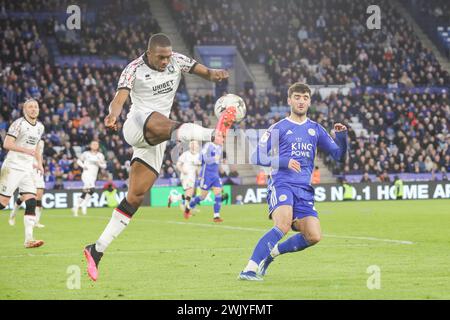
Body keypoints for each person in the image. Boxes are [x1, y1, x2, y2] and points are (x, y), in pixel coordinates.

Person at [83, 33, 237, 281]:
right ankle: (213, 133)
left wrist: (215, 73)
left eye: (168, 56)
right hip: (137, 124)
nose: (166, 61)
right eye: (161, 57)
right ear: (149, 52)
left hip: (157, 137)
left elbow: (203, 71)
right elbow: (119, 98)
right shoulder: (133, 69)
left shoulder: (177, 60)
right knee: (168, 124)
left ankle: (96, 250)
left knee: (135, 197)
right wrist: (113, 115)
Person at [238, 83, 347, 281]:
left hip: (304, 189)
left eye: (305, 97)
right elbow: (256, 157)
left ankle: (271, 254)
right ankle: (249, 269)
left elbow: (339, 155)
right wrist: (284, 161)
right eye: (297, 97)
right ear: (289, 100)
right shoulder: (279, 127)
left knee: (313, 236)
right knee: (283, 224)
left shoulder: (316, 129)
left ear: (309, 101)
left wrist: (342, 137)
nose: (301, 101)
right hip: (282, 183)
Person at [0, 99, 45, 248]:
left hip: (27, 169)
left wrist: (39, 163)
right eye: (30, 107)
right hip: (12, 166)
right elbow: (6, 144)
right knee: (3, 203)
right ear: (24, 110)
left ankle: (29, 239)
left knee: (31, 201)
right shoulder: (18, 124)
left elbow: (37, 147)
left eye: (36, 107)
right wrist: (26, 151)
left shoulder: (40, 127)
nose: (33, 109)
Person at [183, 140, 225, 222]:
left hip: (215, 175)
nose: (222, 139)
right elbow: (202, 158)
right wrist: (213, 158)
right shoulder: (208, 145)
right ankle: (188, 208)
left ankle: (216, 216)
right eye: (220, 137)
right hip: (206, 175)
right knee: (202, 197)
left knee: (218, 194)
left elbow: (217, 161)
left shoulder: (219, 147)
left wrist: (220, 166)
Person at [9, 140, 46, 228]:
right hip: (27, 170)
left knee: (39, 196)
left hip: (38, 171)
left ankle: (36, 222)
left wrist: (40, 164)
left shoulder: (41, 142)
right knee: (24, 196)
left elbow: (39, 155)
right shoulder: (25, 140)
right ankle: (13, 214)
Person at [72, 141, 107, 216]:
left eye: (96, 144)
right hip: (86, 174)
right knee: (92, 188)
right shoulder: (86, 154)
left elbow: (104, 166)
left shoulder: (100, 155)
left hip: (93, 176)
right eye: (93, 144)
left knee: (87, 191)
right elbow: (78, 161)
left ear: (98, 146)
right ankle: (83, 205)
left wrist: (99, 164)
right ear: (90, 145)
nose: (95, 145)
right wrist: (83, 166)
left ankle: (77, 206)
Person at [168, 141, 201, 209]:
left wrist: (199, 175)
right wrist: (182, 170)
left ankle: (174, 198)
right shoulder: (186, 154)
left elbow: (197, 168)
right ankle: (186, 208)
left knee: (189, 193)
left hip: (192, 176)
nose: (194, 146)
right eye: (193, 144)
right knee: (190, 191)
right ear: (190, 146)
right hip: (186, 176)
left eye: (195, 145)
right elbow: (178, 164)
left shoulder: (198, 156)